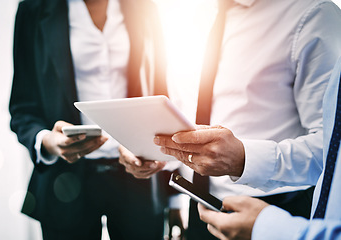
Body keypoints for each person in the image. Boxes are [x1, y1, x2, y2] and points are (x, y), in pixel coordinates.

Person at [120, 0, 341, 239]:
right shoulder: (190, 12)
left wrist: (244, 159)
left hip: (276, 214)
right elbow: (185, 115)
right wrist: (150, 152)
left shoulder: (314, 15)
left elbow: (331, 152)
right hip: (199, 204)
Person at [9, 0, 178, 239]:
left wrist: (174, 194)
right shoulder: (34, 9)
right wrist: (49, 142)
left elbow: (161, 96)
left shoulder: (143, 5)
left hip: (138, 179)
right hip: (65, 183)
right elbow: (22, 107)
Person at [197, 56, 341, 240]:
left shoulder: (309, 28)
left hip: (279, 206)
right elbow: (333, 154)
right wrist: (243, 159)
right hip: (211, 201)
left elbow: (325, 146)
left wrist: (266, 229)